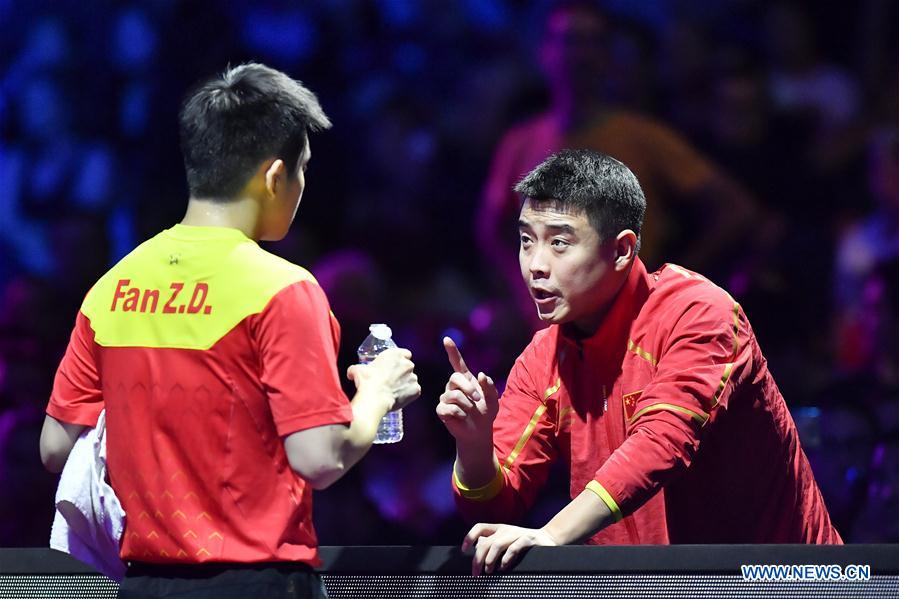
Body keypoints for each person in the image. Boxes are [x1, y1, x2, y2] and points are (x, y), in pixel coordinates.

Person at [39, 62, 421, 597]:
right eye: (302, 168)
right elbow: (320, 457)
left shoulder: (113, 286)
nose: (303, 185)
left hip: (144, 585)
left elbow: (57, 447)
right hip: (256, 585)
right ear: (273, 177)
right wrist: (377, 395)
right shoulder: (281, 289)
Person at [438, 149, 840, 577]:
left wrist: (552, 535)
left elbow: (663, 443)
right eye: (525, 240)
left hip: (780, 580)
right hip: (649, 584)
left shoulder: (700, 313)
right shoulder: (542, 359)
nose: (535, 265)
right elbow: (496, 504)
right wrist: (474, 446)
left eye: (559, 242)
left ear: (622, 250)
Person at [478, 0, 761, 330]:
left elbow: (736, 209)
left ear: (608, 56)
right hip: (551, 336)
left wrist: (673, 279)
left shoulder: (643, 137)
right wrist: (521, 292)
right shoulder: (521, 142)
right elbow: (490, 228)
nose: (579, 54)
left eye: (592, 41)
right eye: (569, 40)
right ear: (546, 52)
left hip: (633, 328)